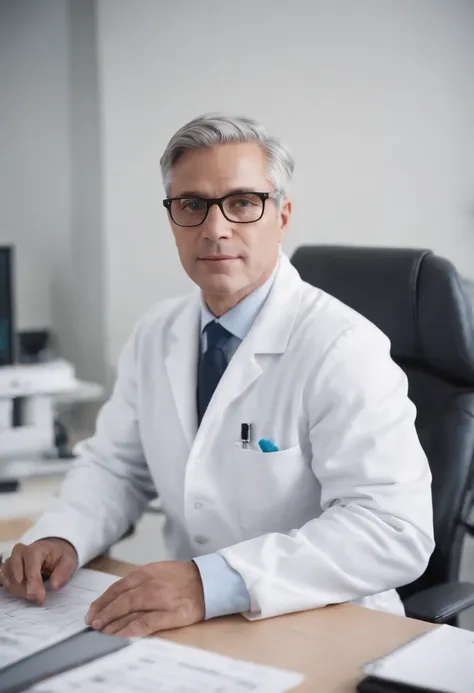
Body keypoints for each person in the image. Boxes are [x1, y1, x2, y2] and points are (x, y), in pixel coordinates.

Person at [1, 114, 434, 637]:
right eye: (192, 206)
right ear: (173, 221)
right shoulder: (156, 333)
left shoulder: (344, 348)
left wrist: (212, 583)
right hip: (191, 629)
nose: (215, 228)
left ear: (283, 216)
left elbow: (393, 529)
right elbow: (116, 467)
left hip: (327, 624)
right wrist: (63, 536)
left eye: (243, 203)